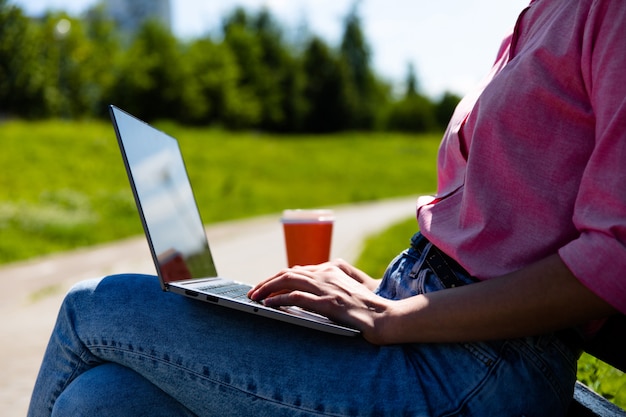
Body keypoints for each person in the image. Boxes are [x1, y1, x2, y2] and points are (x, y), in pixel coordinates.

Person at [28, 0, 625, 415]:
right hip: (437, 334)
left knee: (92, 308)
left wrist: (395, 315)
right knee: (98, 401)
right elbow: (504, 231)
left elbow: (613, 261)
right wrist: (382, 292)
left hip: (476, 372)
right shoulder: (538, 15)